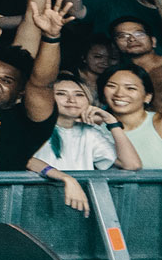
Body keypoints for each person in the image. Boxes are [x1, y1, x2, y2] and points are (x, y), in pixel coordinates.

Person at [30, 74, 141, 214]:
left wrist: (112, 122)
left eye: (79, 94)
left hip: (77, 207)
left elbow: (132, 165)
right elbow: (24, 159)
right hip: (37, 205)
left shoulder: (90, 133)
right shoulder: (33, 127)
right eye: (61, 94)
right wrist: (65, 178)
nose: (71, 100)